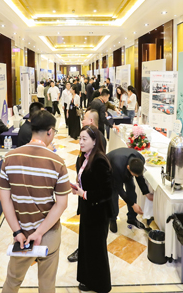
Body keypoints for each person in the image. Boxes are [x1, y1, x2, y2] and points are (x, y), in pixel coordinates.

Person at [0, 110, 71, 293]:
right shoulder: (57, 162)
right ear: (50, 131)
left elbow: (4, 198)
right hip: (48, 233)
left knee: (12, 281)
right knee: (47, 284)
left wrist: (17, 231)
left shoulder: (10, 158)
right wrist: (39, 232)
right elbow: (61, 204)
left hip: (22, 234)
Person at [72, 125, 113, 292]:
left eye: (84, 139)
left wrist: (84, 194)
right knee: (87, 246)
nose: (81, 142)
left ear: (95, 141)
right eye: (80, 138)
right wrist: (79, 187)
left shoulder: (99, 160)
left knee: (96, 249)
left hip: (98, 213)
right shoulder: (84, 157)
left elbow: (107, 192)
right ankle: (87, 279)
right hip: (88, 210)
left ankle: (101, 285)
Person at [106, 148, 153, 232]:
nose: (136, 176)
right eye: (134, 174)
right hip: (111, 170)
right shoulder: (117, 166)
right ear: (128, 167)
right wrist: (133, 204)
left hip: (123, 166)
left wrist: (146, 192)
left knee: (131, 190)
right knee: (114, 195)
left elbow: (139, 176)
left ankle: (132, 218)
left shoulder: (140, 159)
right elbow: (120, 190)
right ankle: (112, 219)